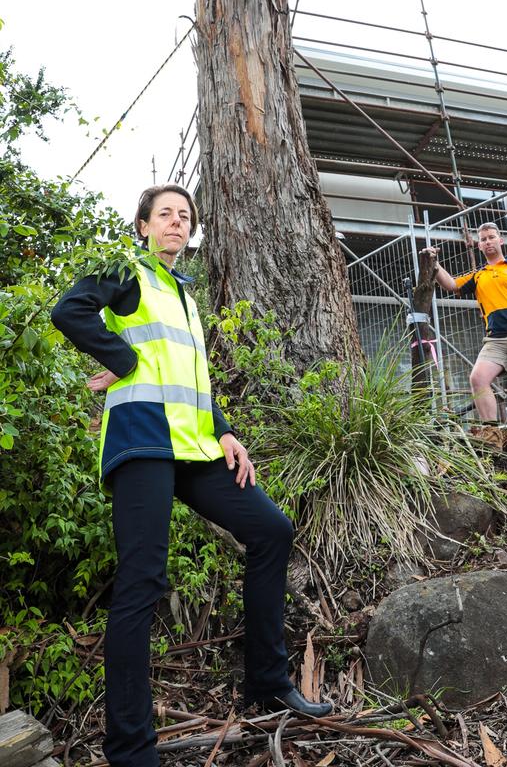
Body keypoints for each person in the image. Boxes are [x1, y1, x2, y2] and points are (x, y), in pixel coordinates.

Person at [51, 184, 331, 767]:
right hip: (144, 444)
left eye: (184, 216)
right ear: (144, 225)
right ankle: (131, 749)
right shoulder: (126, 269)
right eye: (166, 215)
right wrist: (122, 361)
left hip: (197, 446)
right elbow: (68, 311)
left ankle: (267, 684)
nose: (177, 223)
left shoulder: (183, 291)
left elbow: (192, 376)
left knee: (272, 530)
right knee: (142, 579)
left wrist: (225, 428)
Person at [423, 221, 507, 457]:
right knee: (478, 378)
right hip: (495, 339)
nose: (487, 242)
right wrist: (434, 264)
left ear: (500, 240)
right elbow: (451, 284)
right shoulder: (479, 276)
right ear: (479, 245)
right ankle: (493, 438)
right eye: (483, 239)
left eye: (491, 237)